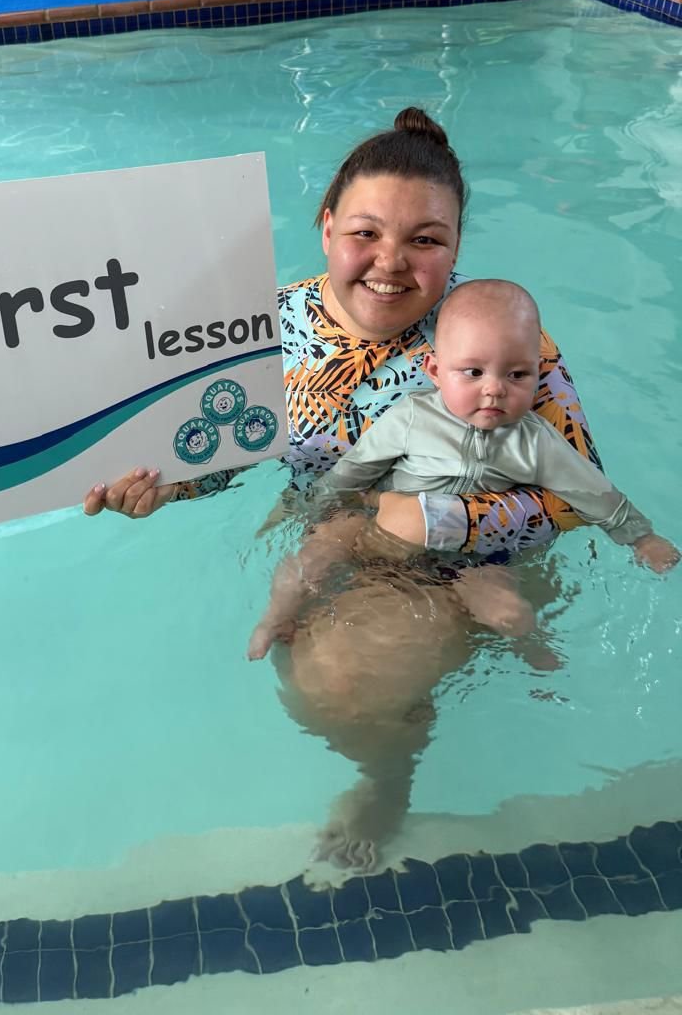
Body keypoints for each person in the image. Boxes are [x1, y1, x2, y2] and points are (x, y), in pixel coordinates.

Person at [82, 108, 610, 870]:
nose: (391, 263)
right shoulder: (271, 324)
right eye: (366, 233)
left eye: (426, 240)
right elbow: (232, 442)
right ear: (327, 227)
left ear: (456, 247)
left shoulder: (495, 335)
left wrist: (427, 525)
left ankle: (390, 779)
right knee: (289, 654)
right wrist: (168, 488)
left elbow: (573, 496)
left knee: (337, 688)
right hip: (331, 526)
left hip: (459, 560)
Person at [249, 279, 679, 660]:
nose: (494, 388)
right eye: (473, 372)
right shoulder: (412, 417)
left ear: (538, 374)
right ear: (436, 371)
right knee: (320, 548)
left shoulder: (536, 441)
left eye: (517, 374)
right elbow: (355, 469)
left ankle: (532, 649)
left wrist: (641, 537)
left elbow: (592, 491)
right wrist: (314, 507)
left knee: (509, 611)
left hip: (470, 558)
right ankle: (278, 616)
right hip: (381, 525)